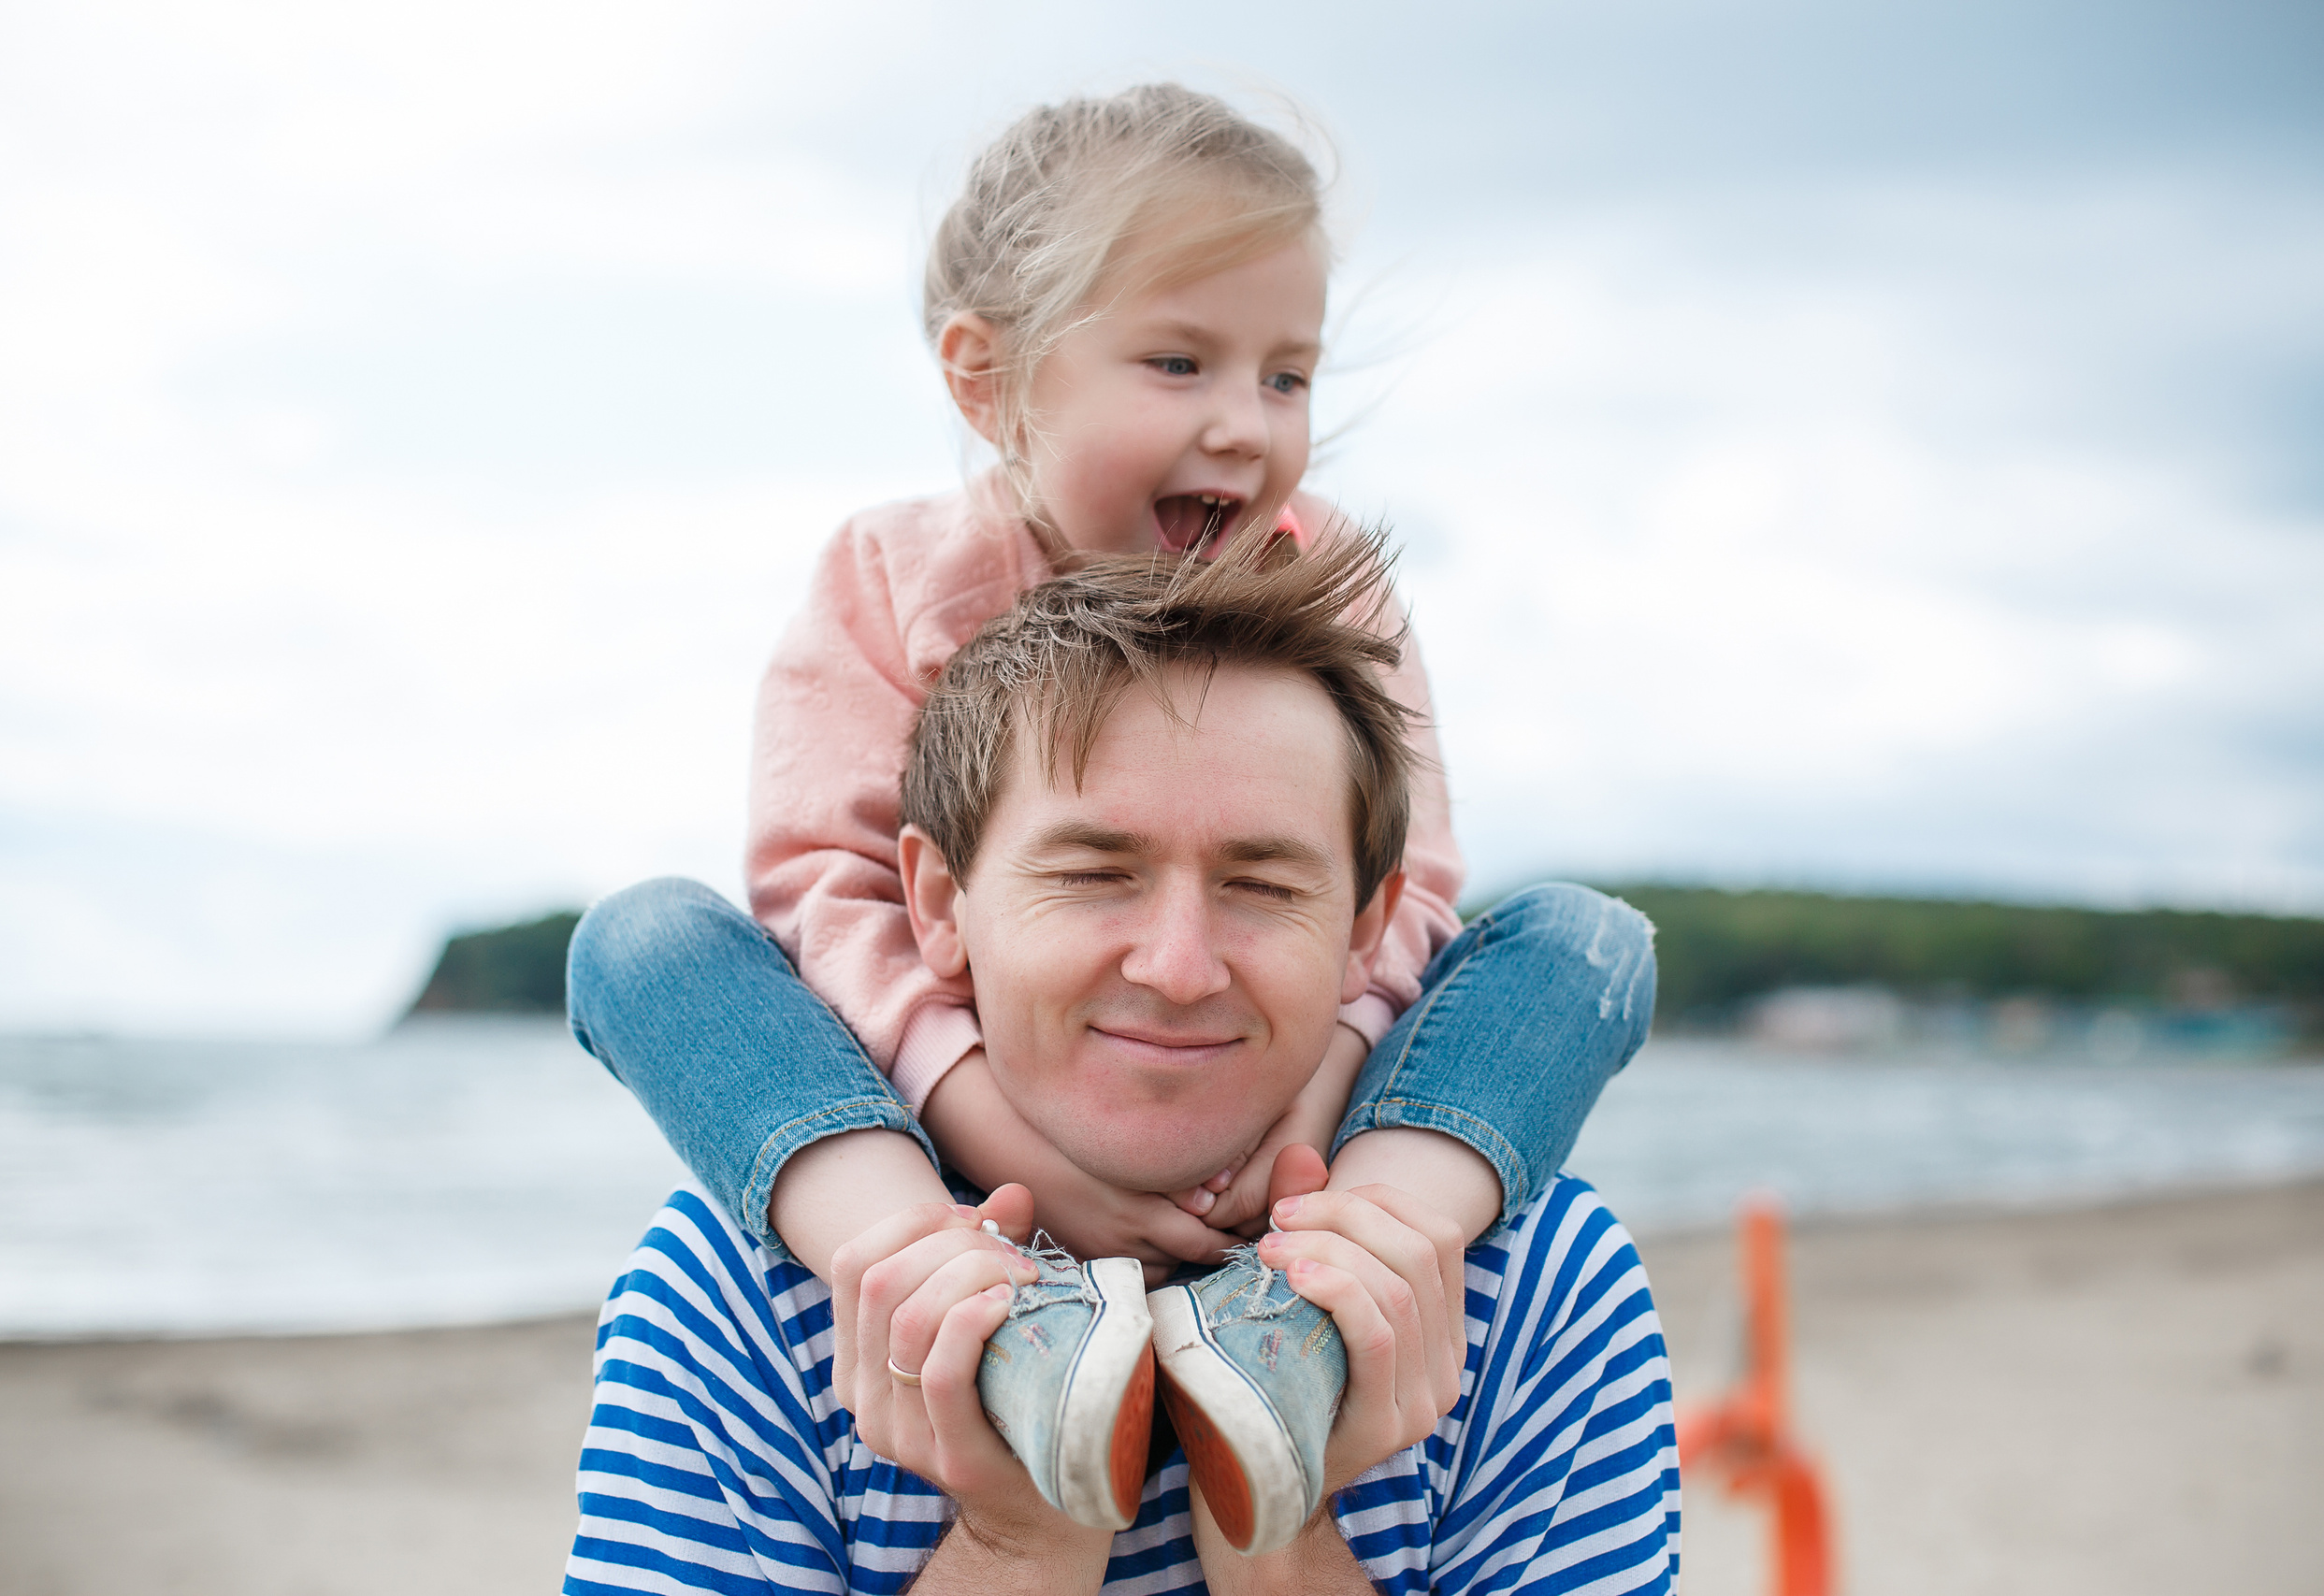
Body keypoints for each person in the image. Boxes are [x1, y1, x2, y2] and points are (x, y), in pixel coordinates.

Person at [566, 78, 1656, 1532]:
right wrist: (998, 1144)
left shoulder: (1321, 573)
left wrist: (1307, 1136)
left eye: (1286, 376)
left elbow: (1408, 884)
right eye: (1178, 362)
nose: (1243, 427)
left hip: (1292, 1130)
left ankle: (1333, 1278)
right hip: (944, 1113)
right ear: (986, 376)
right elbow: (826, 886)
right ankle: (948, 1288)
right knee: (641, 940)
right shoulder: (893, 579)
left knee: (1587, 938)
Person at [564, 540, 1681, 1593]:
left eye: (1263, 885)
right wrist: (1018, 1541)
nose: (1181, 967)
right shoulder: (753, 1284)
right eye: (1095, 873)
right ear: (942, 906)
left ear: (1364, 931)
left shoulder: (1531, 1289)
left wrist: (1281, 1544)